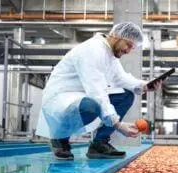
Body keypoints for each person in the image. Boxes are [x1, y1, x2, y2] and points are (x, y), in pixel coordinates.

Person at [35, 22, 161, 160]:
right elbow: (97, 91)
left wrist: (145, 86)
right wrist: (117, 124)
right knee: (91, 106)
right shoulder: (92, 50)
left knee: (126, 95)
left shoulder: (109, 54)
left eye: (132, 48)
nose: (128, 51)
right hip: (62, 99)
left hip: (83, 95)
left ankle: (99, 144)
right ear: (117, 36)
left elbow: (121, 78)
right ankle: (60, 137)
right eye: (129, 45)